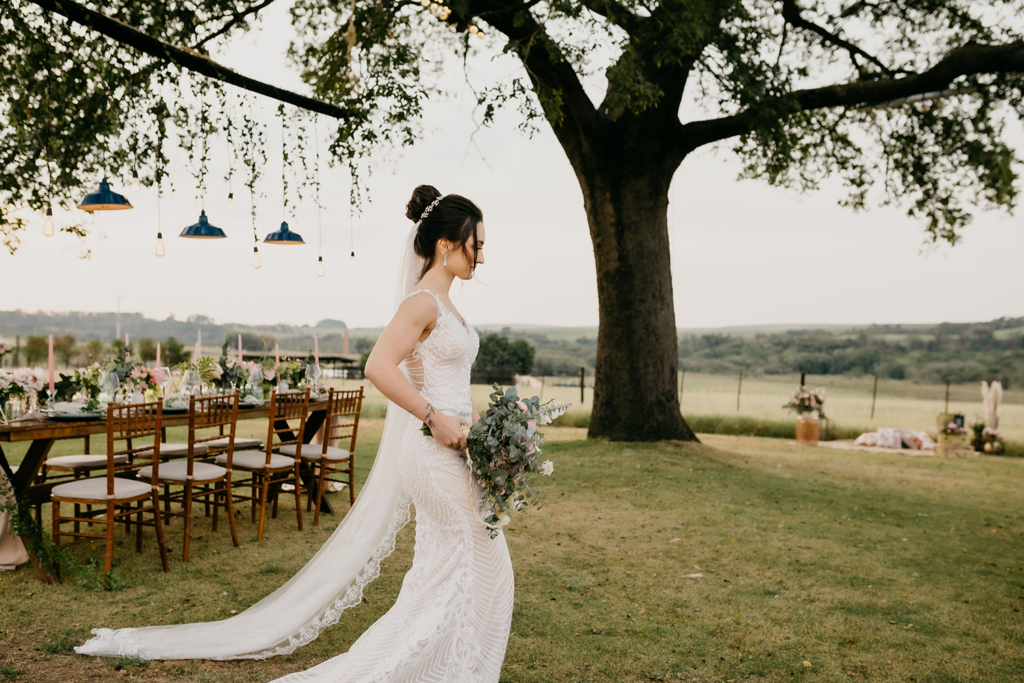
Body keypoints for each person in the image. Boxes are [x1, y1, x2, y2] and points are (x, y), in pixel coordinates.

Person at [75, 185, 515, 683]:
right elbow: (378, 366)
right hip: (433, 454)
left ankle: (446, 666)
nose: (481, 255)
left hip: (459, 452)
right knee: (485, 561)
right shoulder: (422, 304)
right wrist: (435, 418)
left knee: (451, 568)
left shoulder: (447, 305)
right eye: (475, 244)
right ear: (445, 245)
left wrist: (486, 440)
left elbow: (455, 382)